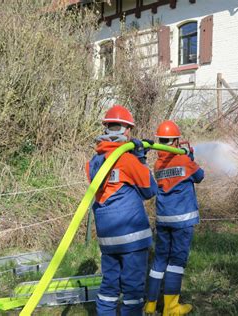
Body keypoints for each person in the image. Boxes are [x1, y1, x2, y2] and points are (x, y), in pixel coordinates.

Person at [86, 105, 157, 315]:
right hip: (131, 235)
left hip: (107, 238)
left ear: (106, 128)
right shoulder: (127, 159)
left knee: (109, 287)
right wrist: (141, 158)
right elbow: (149, 190)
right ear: (126, 130)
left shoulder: (93, 162)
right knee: (133, 290)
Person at [144, 120, 204, 315]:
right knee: (177, 262)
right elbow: (200, 176)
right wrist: (191, 157)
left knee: (159, 260)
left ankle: (150, 304)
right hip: (182, 220)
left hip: (163, 219)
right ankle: (171, 308)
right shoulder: (184, 160)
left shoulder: (158, 163)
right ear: (176, 141)